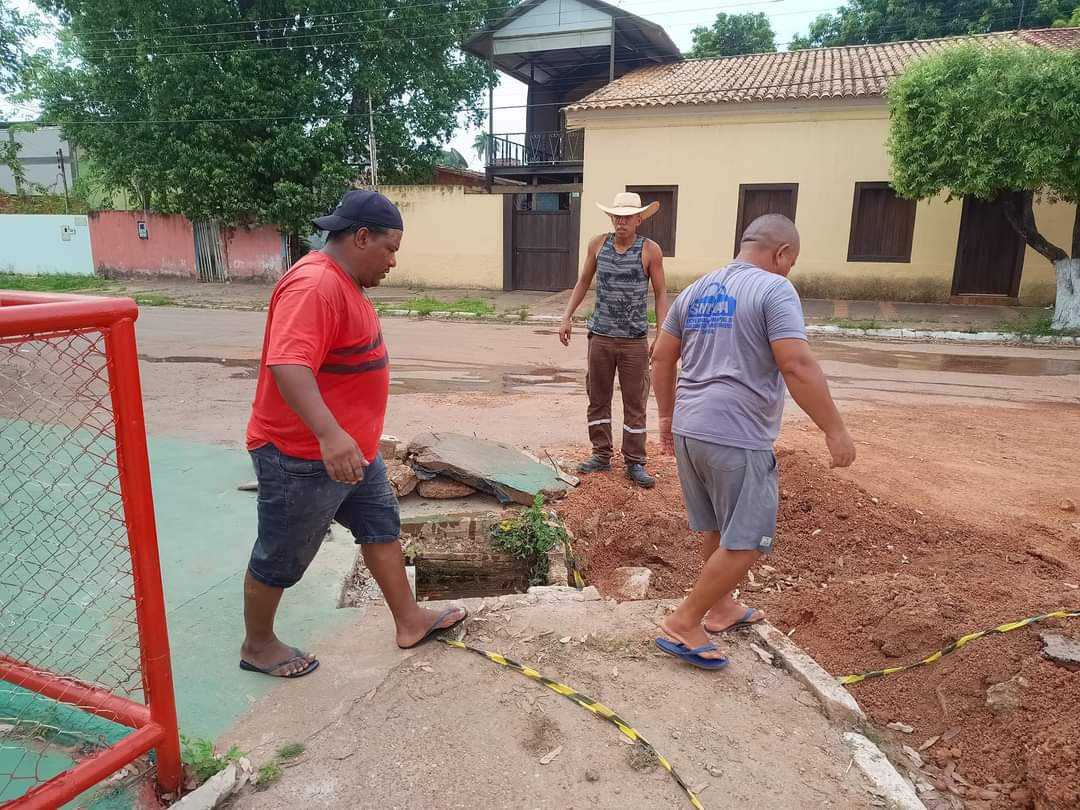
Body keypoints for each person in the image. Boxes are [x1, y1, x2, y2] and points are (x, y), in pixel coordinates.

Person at [240, 189, 467, 678]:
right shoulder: (314, 286)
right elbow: (288, 364)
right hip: (302, 455)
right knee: (282, 552)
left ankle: (409, 620)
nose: (392, 262)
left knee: (380, 526)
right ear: (361, 237)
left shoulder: (343, 282)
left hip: (352, 452)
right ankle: (258, 645)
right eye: (390, 249)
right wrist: (330, 435)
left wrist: (348, 439)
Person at [651, 214, 855, 670]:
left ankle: (720, 607)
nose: (789, 270)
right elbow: (796, 364)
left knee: (719, 527)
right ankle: (685, 620)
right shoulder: (774, 289)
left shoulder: (696, 290)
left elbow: (661, 358)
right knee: (746, 541)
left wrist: (666, 415)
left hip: (690, 429)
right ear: (782, 253)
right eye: (791, 262)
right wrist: (834, 430)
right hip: (737, 433)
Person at [559, 192, 668, 489]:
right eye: (617, 216)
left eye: (627, 217)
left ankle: (635, 462)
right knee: (598, 399)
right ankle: (600, 454)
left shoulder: (650, 250)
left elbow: (660, 293)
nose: (621, 221)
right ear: (611, 217)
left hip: (634, 340)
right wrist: (567, 316)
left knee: (635, 402)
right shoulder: (598, 245)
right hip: (601, 337)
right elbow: (583, 281)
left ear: (638, 219)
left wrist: (661, 334)